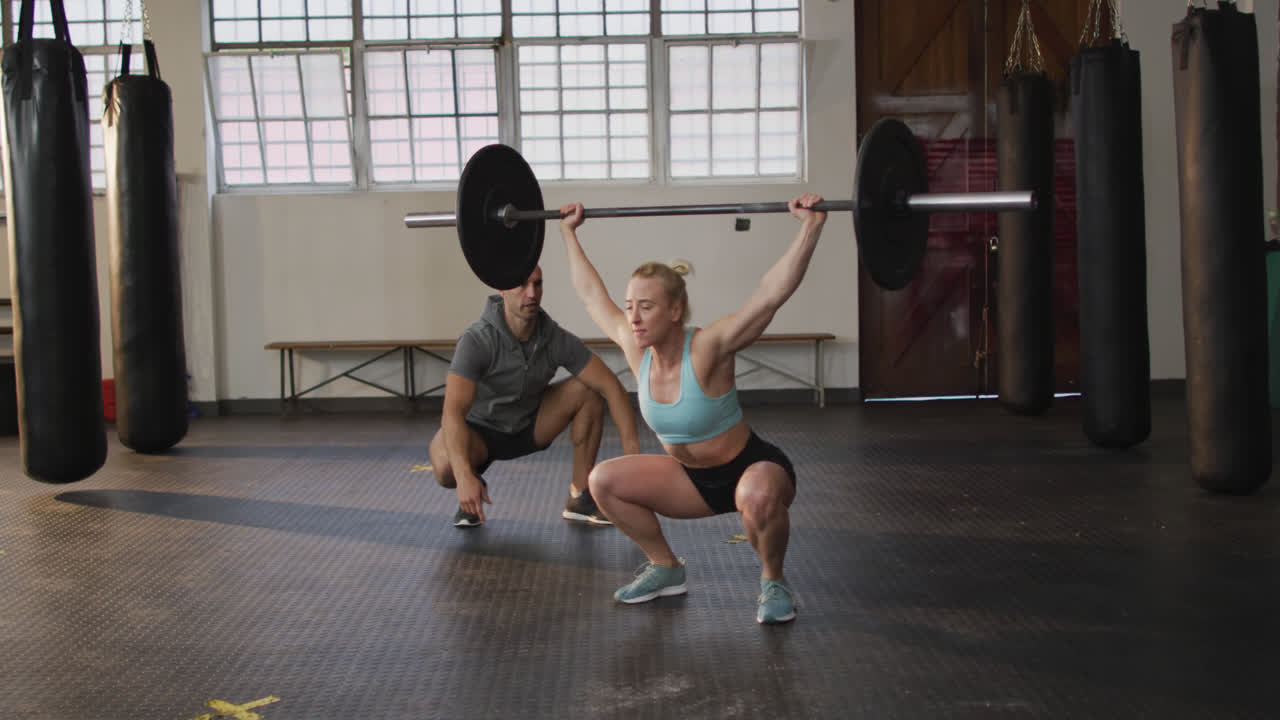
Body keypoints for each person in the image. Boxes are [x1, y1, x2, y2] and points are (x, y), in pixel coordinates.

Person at [557, 194, 826, 625]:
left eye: (646, 306)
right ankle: (665, 567)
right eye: (630, 307)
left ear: (675, 309)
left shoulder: (706, 348)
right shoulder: (636, 349)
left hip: (751, 469)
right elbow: (591, 296)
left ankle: (773, 581)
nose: (634, 318)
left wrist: (810, 227)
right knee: (602, 481)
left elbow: (769, 296)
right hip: (691, 482)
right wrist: (568, 233)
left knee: (754, 498)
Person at [428, 265, 641, 528]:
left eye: (537, 284)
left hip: (530, 426)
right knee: (445, 465)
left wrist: (634, 456)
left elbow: (612, 387)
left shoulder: (553, 337)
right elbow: (452, 413)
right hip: (479, 434)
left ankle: (580, 497)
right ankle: (472, 485)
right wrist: (463, 477)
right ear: (502, 288)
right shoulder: (477, 340)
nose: (531, 293)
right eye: (521, 285)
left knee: (588, 390)